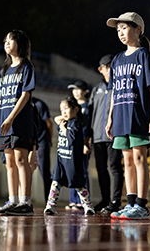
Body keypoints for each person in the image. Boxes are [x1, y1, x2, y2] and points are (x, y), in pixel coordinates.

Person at [105, 12, 150, 220]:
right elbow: (113, 92)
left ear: (138, 29)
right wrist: (110, 118)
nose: (120, 32)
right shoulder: (118, 59)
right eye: (118, 29)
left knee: (139, 158)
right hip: (120, 115)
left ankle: (142, 205)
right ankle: (129, 204)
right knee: (126, 160)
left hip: (139, 114)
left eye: (124, 28)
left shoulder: (143, 54)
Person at [0, 30, 35, 216]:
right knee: (9, 162)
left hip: (19, 121)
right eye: (5, 40)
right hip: (3, 123)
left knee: (21, 159)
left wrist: (10, 118)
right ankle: (13, 200)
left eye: (11, 39)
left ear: (20, 43)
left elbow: (26, 94)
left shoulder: (26, 67)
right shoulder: (4, 71)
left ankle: (26, 202)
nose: (7, 43)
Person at [44, 96, 95, 215]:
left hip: (72, 160)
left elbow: (71, 139)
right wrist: (64, 116)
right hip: (61, 159)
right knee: (56, 183)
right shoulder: (65, 121)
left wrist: (63, 127)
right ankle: (51, 205)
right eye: (61, 109)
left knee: (79, 185)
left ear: (76, 109)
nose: (63, 112)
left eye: (66, 108)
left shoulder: (76, 123)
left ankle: (87, 205)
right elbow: (56, 118)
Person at [88, 54, 124, 213]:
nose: (111, 69)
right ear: (100, 69)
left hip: (114, 134)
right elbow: (90, 114)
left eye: (113, 66)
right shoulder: (96, 90)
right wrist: (88, 135)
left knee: (115, 167)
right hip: (97, 136)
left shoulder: (120, 86)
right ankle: (105, 199)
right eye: (107, 67)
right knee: (101, 168)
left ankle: (116, 201)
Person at [66, 80, 91, 210]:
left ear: (85, 91)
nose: (75, 92)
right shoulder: (72, 106)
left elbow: (89, 126)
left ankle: (83, 200)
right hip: (72, 142)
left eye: (78, 89)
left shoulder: (88, 106)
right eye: (73, 89)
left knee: (83, 171)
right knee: (72, 171)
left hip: (83, 142)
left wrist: (87, 142)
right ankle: (73, 200)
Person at [32, 97, 53, 202]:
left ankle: (49, 201)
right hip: (29, 142)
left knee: (44, 172)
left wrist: (50, 139)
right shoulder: (18, 102)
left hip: (42, 142)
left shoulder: (40, 104)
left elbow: (49, 123)